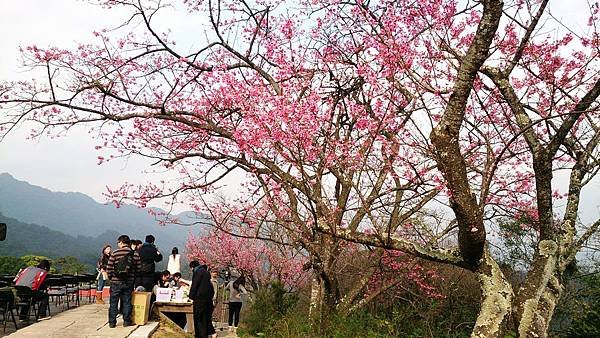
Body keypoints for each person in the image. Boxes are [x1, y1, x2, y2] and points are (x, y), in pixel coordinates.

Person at [106, 234, 141, 328]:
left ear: (121, 242)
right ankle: (126, 321)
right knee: (127, 302)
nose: (118, 244)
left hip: (115, 282)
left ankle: (112, 323)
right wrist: (133, 278)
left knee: (113, 303)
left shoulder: (115, 253)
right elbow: (138, 269)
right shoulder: (135, 254)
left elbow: (109, 268)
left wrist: (111, 278)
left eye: (118, 242)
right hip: (128, 282)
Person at [189, 263, 214, 338]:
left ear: (193, 267)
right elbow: (211, 287)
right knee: (205, 319)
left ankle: (200, 336)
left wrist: (191, 296)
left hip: (199, 299)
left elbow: (194, 285)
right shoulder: (206, 272)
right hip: (208, 300)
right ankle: (205, 335)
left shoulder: (197, 272)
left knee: (198, 319)